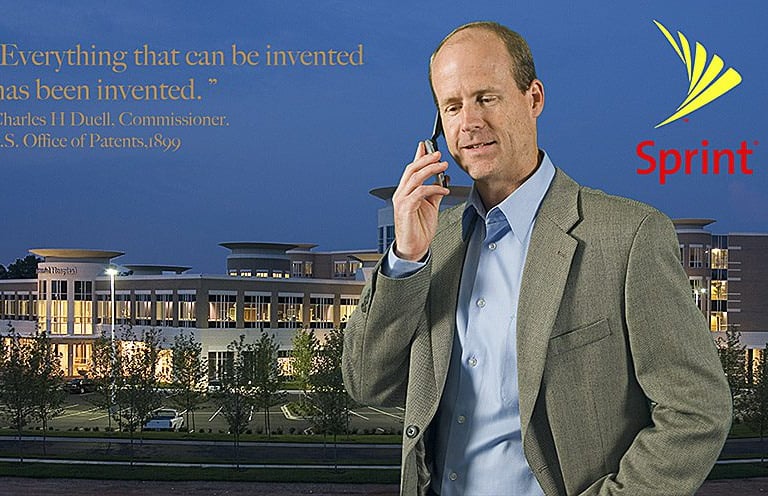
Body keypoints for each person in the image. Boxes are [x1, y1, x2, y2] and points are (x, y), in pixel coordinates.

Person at [341, 21, 731, 496]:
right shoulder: (432, 245)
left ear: (534, 98)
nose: (469, 122)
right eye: (452, 106)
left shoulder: (630, 236)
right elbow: (368, 384)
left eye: (486, 98)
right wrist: (406, 258)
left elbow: (696, 410)